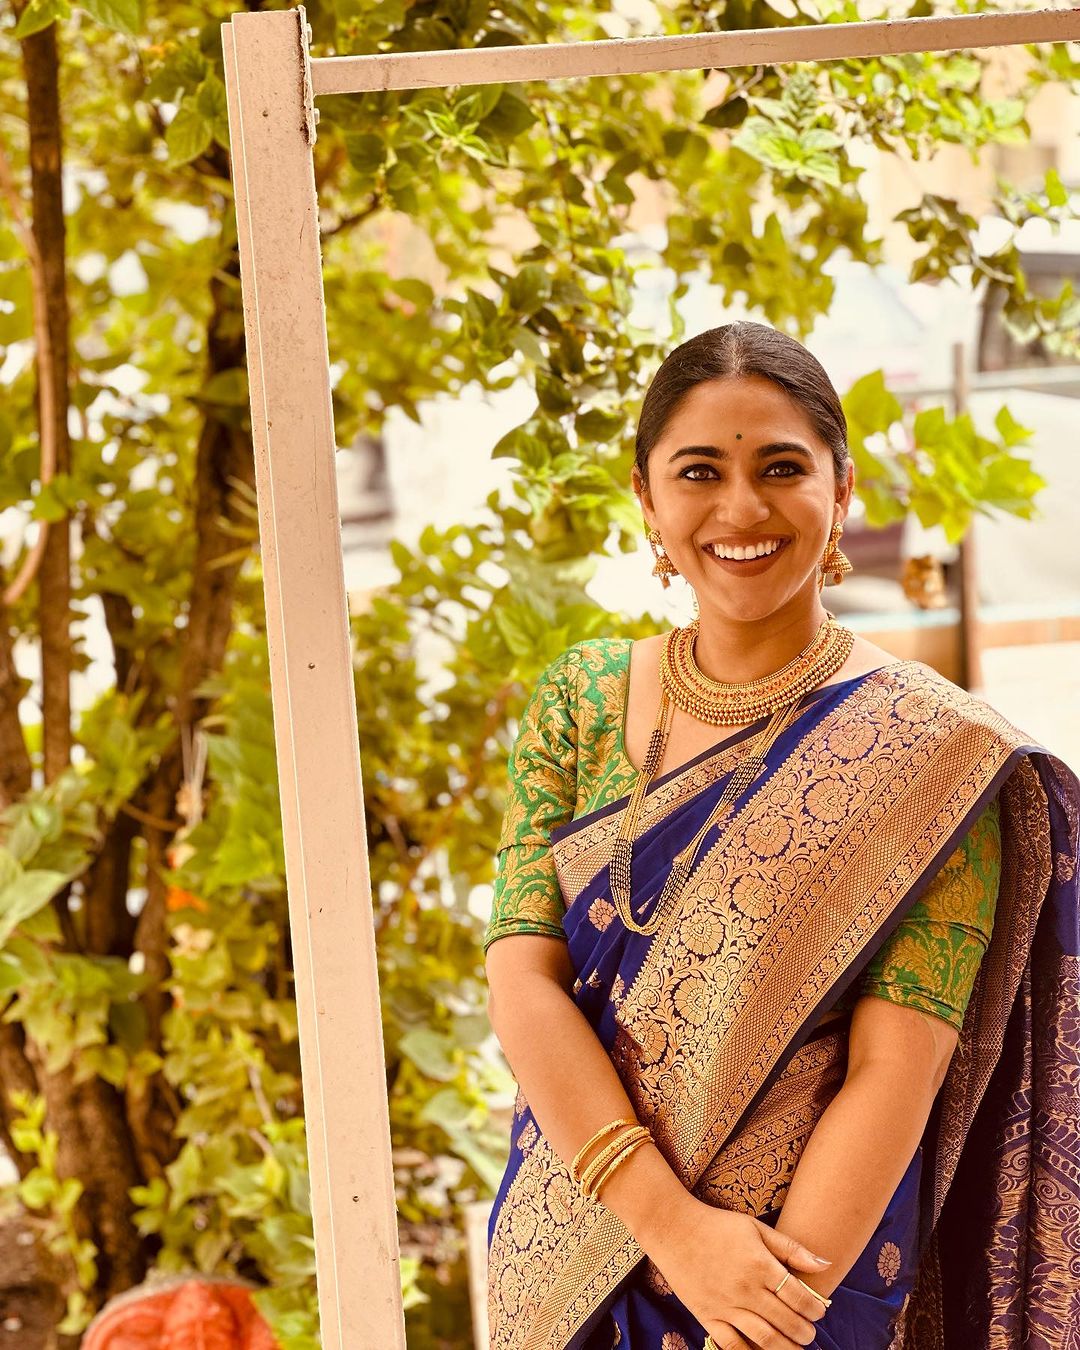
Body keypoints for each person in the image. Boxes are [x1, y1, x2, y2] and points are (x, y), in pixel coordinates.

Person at [482, 322, 1080, 1350]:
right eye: (699, 472)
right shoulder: (580, 699)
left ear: (841, 491)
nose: (741, 509)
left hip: (789, 1286)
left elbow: (896, 1069)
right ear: (647, 499)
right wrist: (671, 1228)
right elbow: (521, 981)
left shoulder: (937, 758)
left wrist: (758, 1314)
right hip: (572, 1253)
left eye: (781, 468)